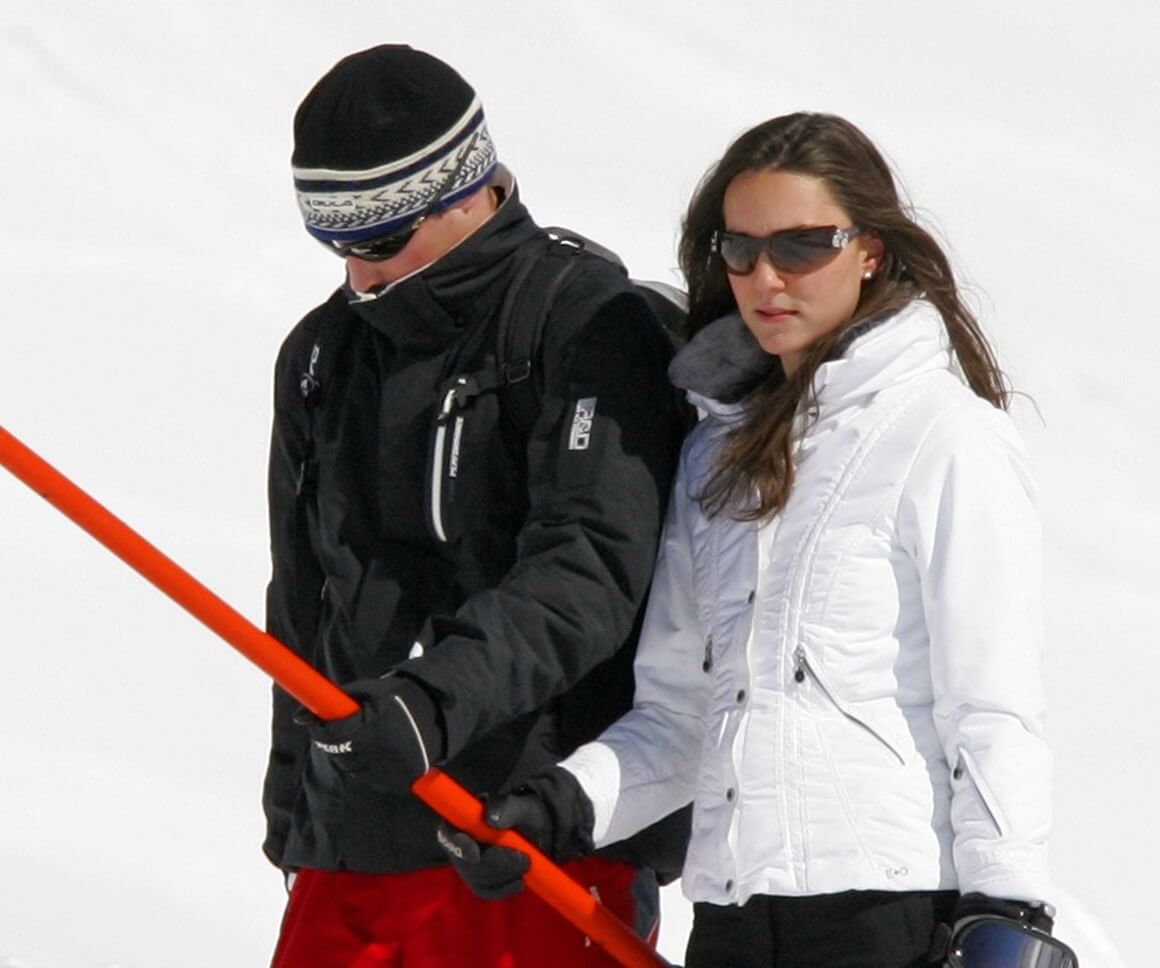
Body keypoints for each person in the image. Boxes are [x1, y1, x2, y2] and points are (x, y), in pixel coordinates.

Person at [442, 113, 1075, 968]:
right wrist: (560, 806)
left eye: (803, 246)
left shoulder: (944, 437)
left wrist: (1006, 911)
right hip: (736, 921)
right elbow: (680, 715)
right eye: (740, 251)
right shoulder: (718, 455)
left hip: (888, 919)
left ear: (871, 251)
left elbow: (992, 705)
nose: (765, 278)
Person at [262, 44, 689, 967]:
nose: (357, 279)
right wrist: (294, 806)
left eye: (377, 243)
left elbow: (590, 568)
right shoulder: (321, 356)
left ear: (465, 191)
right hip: (356, 846)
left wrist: (428, 708)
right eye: (333, 248)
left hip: (524, 843)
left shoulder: (588, 325)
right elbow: (303, 597)